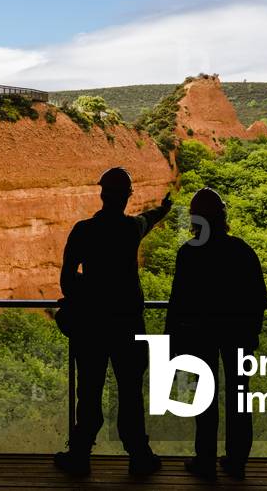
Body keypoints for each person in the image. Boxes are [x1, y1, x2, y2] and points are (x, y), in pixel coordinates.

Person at [54, 167, 172, 477]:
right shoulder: (131, 229)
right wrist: (165, 208)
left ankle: (79, 457)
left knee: (89, 392)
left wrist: (88, 291)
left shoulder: (82, 231)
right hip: (128, 325)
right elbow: (150, 218)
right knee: (131, 392)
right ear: (127, 197)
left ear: (102, 194)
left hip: (91, 325)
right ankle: (139, 457)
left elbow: (67, 281)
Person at [165, 187, 267, 481]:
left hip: (200, 335)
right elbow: (258, 297)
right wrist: (252, 334)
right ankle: (236, 462)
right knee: (239, 396)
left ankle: (206, 461)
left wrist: (172, 341)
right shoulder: (242, 250)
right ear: (223, 216)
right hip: (237, 335)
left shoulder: (189, 253)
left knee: (205, 399)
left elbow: (178, 302)